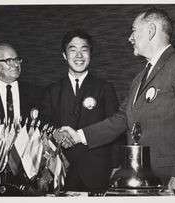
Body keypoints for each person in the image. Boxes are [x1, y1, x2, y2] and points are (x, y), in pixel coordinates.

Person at [59, 8, 175, 190]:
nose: (130, 38)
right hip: (146, 178)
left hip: (172, 179)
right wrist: (78, 136)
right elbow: (121, 119)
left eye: (134, 30)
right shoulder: (139, 77)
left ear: (150, 31)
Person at [41, 30, 122, 192]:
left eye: (84, 50)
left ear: (90, 54)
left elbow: (116, 129)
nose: (79, 55)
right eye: (73, 50)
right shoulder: (52, 90)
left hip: (97, 171)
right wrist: (55, 132)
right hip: (61, 170)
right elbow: (44, 122)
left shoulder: (104, 88)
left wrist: (116, 166)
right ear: (64, 55)